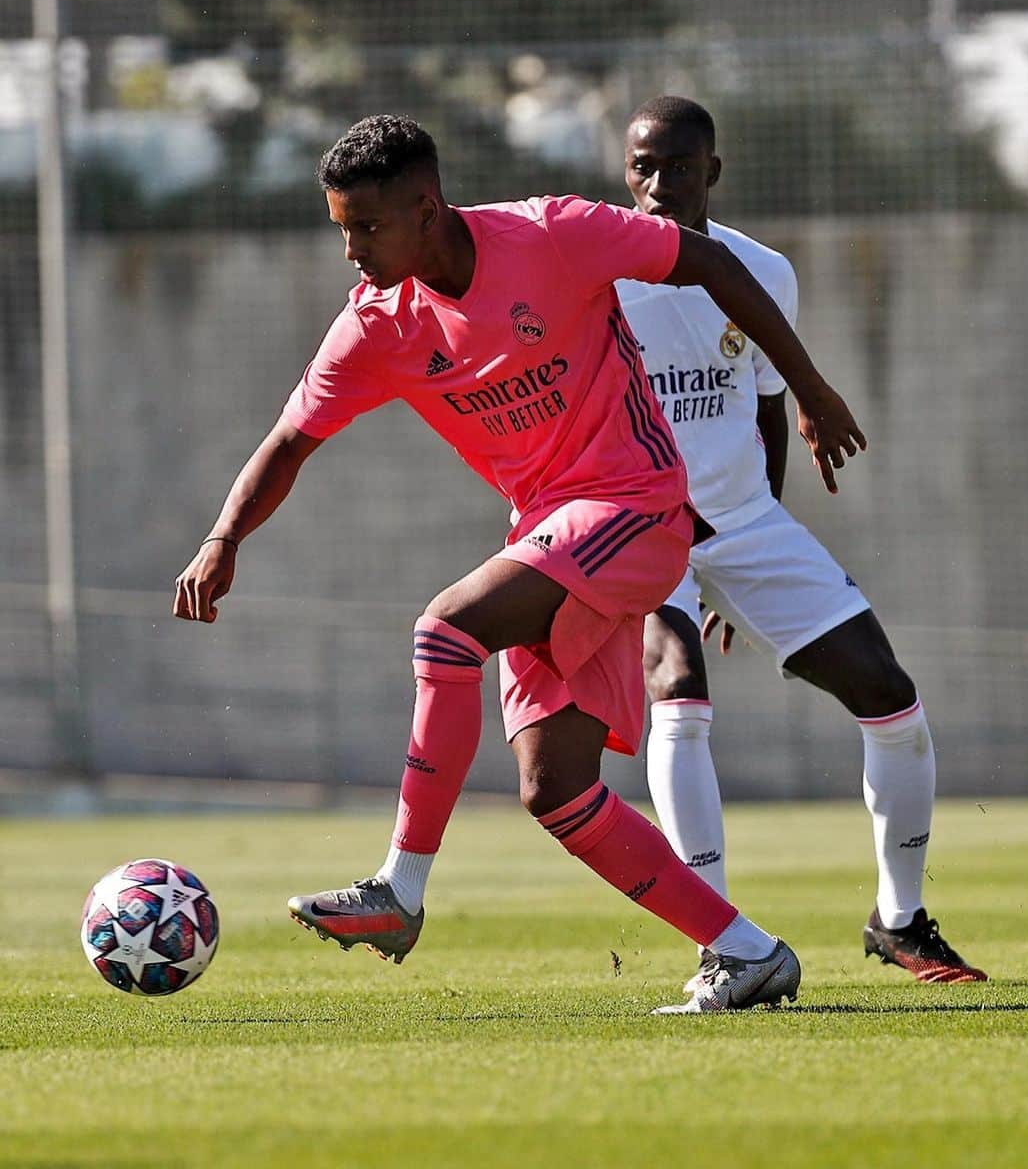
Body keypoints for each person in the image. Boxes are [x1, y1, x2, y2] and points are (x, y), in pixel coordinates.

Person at [173, 114, 865, 1014]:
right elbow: (290, 441)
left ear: (427, 208)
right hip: (553, 536)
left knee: (446, 629)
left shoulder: (554, 233)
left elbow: (714, 264)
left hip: (640, 505)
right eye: (340, 228)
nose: (351, 251)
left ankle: (400, 890)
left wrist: (808, 390)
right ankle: (748, 951)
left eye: (367, 228)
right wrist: (224, 537)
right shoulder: (377, 324)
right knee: (558, 791)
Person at [617, 95, 986, 988]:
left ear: (713, 170)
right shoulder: (602, 273)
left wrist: (745, 562)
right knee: (679, 688)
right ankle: (720, 939)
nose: (657, 184)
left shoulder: (763, 272)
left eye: (676, 165)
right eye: (641, 166)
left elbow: (766, 407)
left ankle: (899, 919)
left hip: (743, 525)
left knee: (890, 697)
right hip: (635, 526)